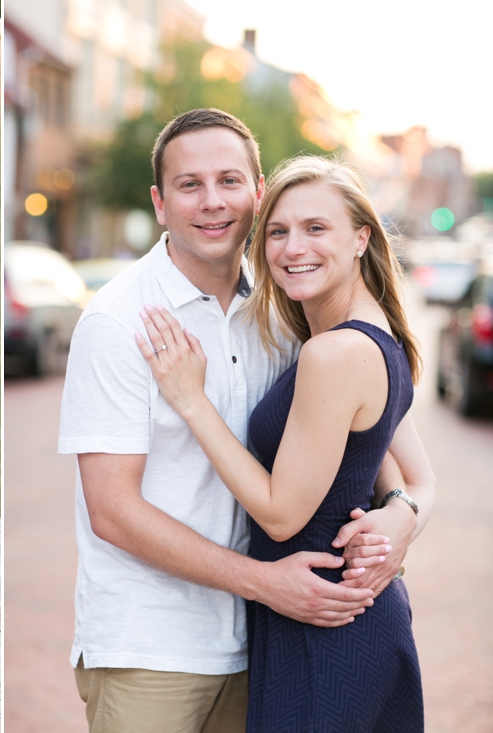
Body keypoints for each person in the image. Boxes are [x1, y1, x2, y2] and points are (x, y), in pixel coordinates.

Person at [58, 109, 435, 733]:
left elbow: (374, 456)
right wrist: (264, 583)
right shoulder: (120, 322)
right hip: (155, 648)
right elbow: (112, 511)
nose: (212, 203)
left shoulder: (287, 307)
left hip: (271, 637)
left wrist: (401, 513)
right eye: (189, 185)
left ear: (256, 193)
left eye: (230, 181)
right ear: (159, 202)